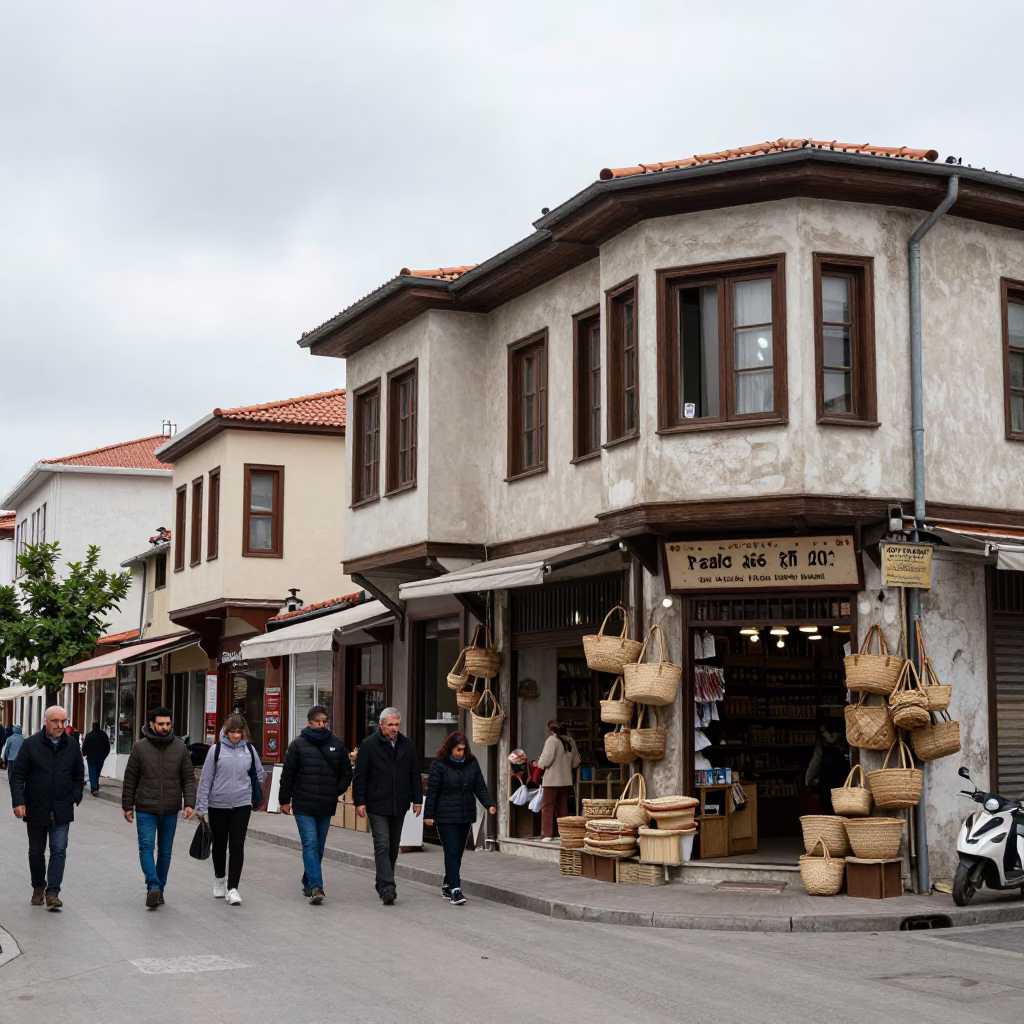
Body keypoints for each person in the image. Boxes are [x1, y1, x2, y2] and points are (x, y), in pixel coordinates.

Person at [8, 706, 84, 909]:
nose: (60, 725)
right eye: (56, 721)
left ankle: (53, 892)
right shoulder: (30, 744)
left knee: (59, 850)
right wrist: (18, 801)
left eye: (64, 721)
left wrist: (75, 796)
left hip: (62, 807)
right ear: (46, 722)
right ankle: (38, 887)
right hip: (36, 807)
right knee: (36, 851)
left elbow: (79, 774)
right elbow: (17, 776)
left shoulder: (72, 745)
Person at [122, 706, 196, 908]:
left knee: (165, 852)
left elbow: (188, 779)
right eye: (161, 724)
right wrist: (127, 805)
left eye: (168, 723)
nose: (165, 727)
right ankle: (153, 885)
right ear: (152, 725)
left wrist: (189, 803)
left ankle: (159, 890)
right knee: (146, 847)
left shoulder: (180, 747)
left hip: (171, 808)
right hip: (146, 808)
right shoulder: (139, 747)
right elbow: (130, 779)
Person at [278, 706, 352, 906]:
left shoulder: (336, 744)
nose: (321, 724)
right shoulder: (298, 745)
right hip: (303, 804)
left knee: (318, 847)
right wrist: (284, 800)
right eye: (317, 721)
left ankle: (307, 881)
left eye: (324, 721)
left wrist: (335, 790)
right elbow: (288, 775)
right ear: (309, 722)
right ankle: (317, 887)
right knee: (310, 844)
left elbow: (347, 772)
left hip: (325, 804)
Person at [352, 707, 422, 906]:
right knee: (382, 843)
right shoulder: (369, 745)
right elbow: (360, 777)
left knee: (392, 847)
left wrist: (417, 800)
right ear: (381, 725)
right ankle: (388, 887)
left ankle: (382, 881)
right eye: (390, 724)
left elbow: (414, 774)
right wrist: (360, 802)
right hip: (376, 803)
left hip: (399, 804)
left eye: (397, 724)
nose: (394, 728)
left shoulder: (406, 745)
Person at [195, 714, 266, 906]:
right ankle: (219, 878)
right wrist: (201, 806)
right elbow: (206, 779)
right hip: (217, 804)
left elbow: (259, 773)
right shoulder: (215, 751)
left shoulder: (249, 750)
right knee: (219, 844)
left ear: (244, 733)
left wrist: (254, 787)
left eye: (239, 732)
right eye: (232, 732)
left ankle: (233, 887)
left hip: (242, 805)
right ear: (226, 733)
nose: (236, 736)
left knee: (237, 845)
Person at [423, 732, 495, 905]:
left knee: (458, 853)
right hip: (445, 815)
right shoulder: (439, 765)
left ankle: (447, 884)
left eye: (463, 749)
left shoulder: (471, 762)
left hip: (465, 814)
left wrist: (488, 804)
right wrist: (429, 815)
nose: (461, 753)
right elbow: (432, 792)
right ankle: (456, 889)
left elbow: (479, 786)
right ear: (449, 748)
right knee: (452, 851)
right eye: (458, 750)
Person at [537, 719, 580, 841]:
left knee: (547, 807)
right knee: (563, 808)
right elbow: (576, 762)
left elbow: (546, 760)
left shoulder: (552, 741)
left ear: (550, 729)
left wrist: (538, 764)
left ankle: (547, 834)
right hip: (566, 780)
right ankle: (563, 833)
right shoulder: (571, 741)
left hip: (552, 780)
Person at [805, 719, 850, 815]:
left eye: (822, 726)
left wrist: (808, 779)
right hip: (842, 780)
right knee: (842, 810)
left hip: (826, 781)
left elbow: (816, 761)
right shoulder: (843, 739)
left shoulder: (822, 741)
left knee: (828, 810)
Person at [81, 721, 111, 796]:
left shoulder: (89, 735)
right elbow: (108, 746)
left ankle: (94, 787)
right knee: (97, 772)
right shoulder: (103, 735)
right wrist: (105, 755)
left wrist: (84, 754)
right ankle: (95, 786)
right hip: (101, 757)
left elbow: (85, 746)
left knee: (92, 772)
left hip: (91, 757)